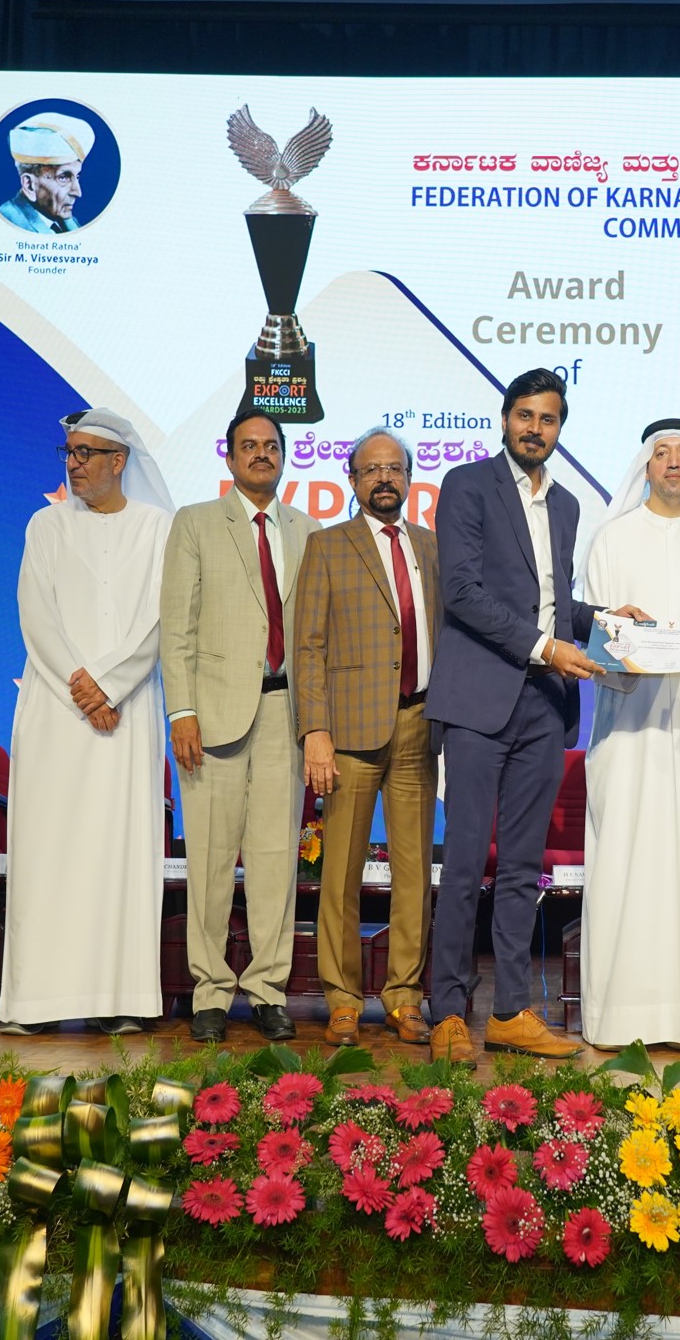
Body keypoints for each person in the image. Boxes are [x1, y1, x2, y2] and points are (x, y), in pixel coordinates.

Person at [426, 367, 635, 1065]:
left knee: (521, 869)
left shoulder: (567, 505)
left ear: (559, 428)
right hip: (479, 700)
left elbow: (550, 604)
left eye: (547, 419)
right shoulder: (467, 485)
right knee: (464, 865)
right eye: (524, 416)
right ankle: (447, 1011)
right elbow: (462, 592)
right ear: (505, 419)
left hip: (545, 706)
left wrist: (603, 621)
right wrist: (548, 646)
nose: (534, 429)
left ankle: (511, 1011)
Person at [0, 410, 173, 1036]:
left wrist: (111, 686)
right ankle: (36, 1002)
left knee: (120, 852)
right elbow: (35, 613)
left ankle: (120, 997)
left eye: (86, 453)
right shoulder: (44, 525)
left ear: (118, 461)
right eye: (68, 453)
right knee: (49, 850)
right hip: (56, 709)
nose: (73, 464)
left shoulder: (157, 527)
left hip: (128, 714)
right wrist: (83, 688)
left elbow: (160, 618)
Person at [162, 406, 315, 1044]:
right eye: (249, 445)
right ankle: (210, 992)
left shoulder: (308, 530)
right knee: (211, 860)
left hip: (285, 712)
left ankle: (268, 989)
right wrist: (182, 711)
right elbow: (177, 626)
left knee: (277, 862)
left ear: (283, 457)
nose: (261, 454)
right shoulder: (196, 522)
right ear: (229, 457)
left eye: (271, 445)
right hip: (212, 716)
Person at [579, 419, 680, 1050]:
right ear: (645, 465)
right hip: (627, 728)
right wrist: (621, 639)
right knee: (621, 861)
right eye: (662, 452)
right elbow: (592, 637)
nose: (673, 462)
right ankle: (616, 1017)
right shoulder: (613, 537)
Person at [294, 428, 440, 1048]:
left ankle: (404, 996)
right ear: (352, 481)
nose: (384, 478)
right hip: (349, 732)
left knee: (414, 874)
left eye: (394, 468)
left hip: (419, 723)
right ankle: (343, 999)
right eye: (372, 470)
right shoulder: (327, 546)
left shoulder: (432, 546)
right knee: (341, 877)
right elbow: (308, 646)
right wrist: (315, 731)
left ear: (409, 478)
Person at [0, 112, 92, 234]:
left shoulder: (67, 220)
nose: (78, 192)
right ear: (29, 185)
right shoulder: (10, 222)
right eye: (63, 177)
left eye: (77, 176)